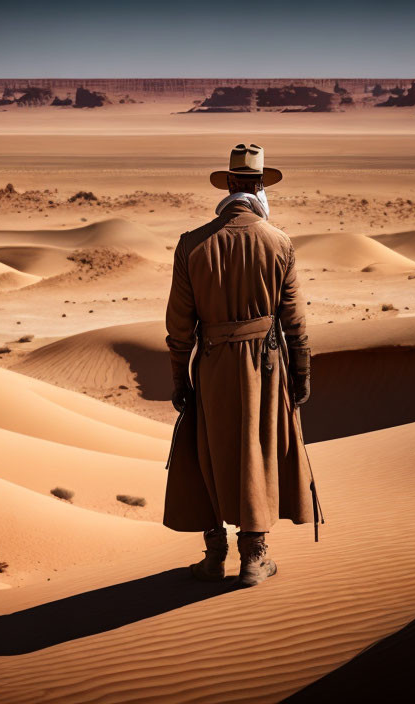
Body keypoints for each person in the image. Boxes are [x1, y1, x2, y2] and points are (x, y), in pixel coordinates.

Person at [163, 143, 322, 588]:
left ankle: (215, 556)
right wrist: (302, 372)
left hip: (212, 364)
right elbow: (295, 320)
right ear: (258, 188)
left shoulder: (192, 243)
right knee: (258, 449)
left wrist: (180, 375)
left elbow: (179, 323)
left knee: (208, 450)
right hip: (267, 366)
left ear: (231, 185)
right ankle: (253, 556)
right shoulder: (280, 242)